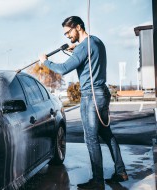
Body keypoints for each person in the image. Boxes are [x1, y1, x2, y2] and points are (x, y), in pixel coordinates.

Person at [39, 16, 128, 190]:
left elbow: (63, 69)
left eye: (68, 32)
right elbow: (88, 57)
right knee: (106, 134)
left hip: (91, 96)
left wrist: (45, 61)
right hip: (102, 93)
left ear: (78, 27)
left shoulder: (83, 47)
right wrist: (76, 49)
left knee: (91, 138)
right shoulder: (96, 42)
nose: (67, 36)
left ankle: (97, 181)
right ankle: (121, 171)